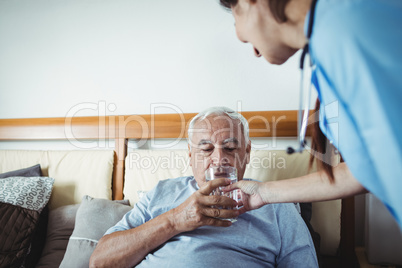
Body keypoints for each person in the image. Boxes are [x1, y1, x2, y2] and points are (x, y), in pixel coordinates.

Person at [219, 0, 402, 228]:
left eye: (235, 18)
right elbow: (366, 168)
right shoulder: (328, 41)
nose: (245, 41)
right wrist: (262, 193)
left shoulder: (349, 29)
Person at [90, 107, 318, 268]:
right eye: (206, 149)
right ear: (190, 155)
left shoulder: (274, 201)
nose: (219, 159)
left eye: (230, 148)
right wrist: (175, 220)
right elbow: (101, 262)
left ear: (247, 153)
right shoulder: (161, 193)